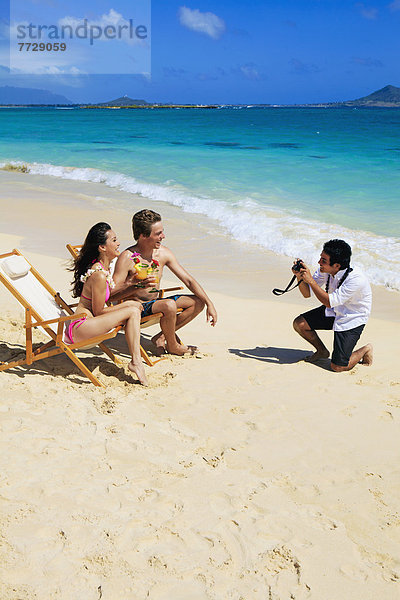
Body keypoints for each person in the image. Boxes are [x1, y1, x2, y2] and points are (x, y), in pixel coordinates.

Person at [112, 209, 218, 356]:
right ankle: (173, 346)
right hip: (135, 309)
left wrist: (209, 303)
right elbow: (111, 295)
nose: (163, 236)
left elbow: (188, 280)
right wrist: (134, 285)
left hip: (156, 303)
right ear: (143, 236)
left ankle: (161, 337)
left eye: (162, 232)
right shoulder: (127, 257)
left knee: (198, 302)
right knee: (168, 305)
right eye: (158, 234)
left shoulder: (163, 253)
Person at [68, 222, 148, 385]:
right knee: (133, 310)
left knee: (134, 307)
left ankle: (136, 361)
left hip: (89, 323)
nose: (118, 243)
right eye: (114, 240)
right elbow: (99, 312)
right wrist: (129, 306)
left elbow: (106, 298)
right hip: (81, 327)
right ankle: (136, 362)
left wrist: (131, 285)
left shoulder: (103, 269)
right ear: (102, 247)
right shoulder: (99, 275)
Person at [292, 239, 373, 372]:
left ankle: (365, 350)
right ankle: (322, 351)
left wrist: (310, 281)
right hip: (334, 310)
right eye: (320, 258)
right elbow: (307, 294)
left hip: (352, 317)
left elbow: (329, 301)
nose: (319, 263)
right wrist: (299, 277)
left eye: (323, 260)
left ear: (336, 265)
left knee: (338, 367)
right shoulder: (326, 270)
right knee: (299, 324)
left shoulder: (355, 279)